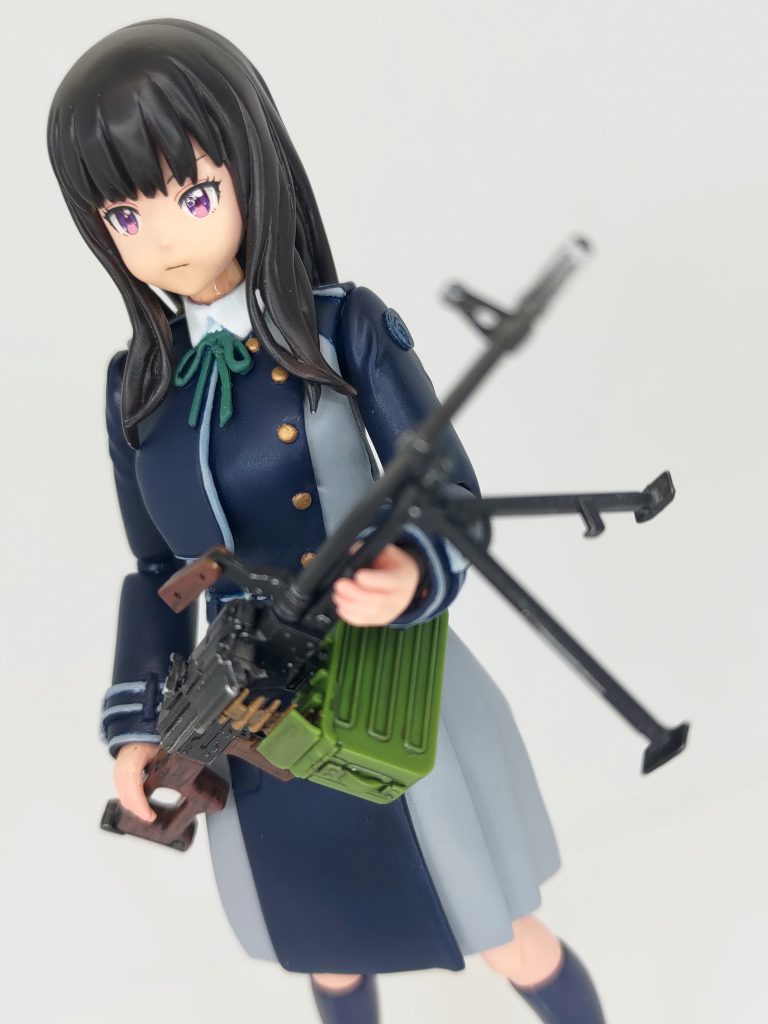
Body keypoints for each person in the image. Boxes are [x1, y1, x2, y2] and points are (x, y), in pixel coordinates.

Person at [48, 20, 605, 1024]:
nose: (164, 237)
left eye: (193, 196)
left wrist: (410, 572)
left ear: (251, 171)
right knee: (330, 953)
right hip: (246, 710)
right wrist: (136, 725)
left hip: (379, 681)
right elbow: (153, 567)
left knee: (501, 932)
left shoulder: (343, 328)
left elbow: (450, 494)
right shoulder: (136, 389)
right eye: (127, 214)